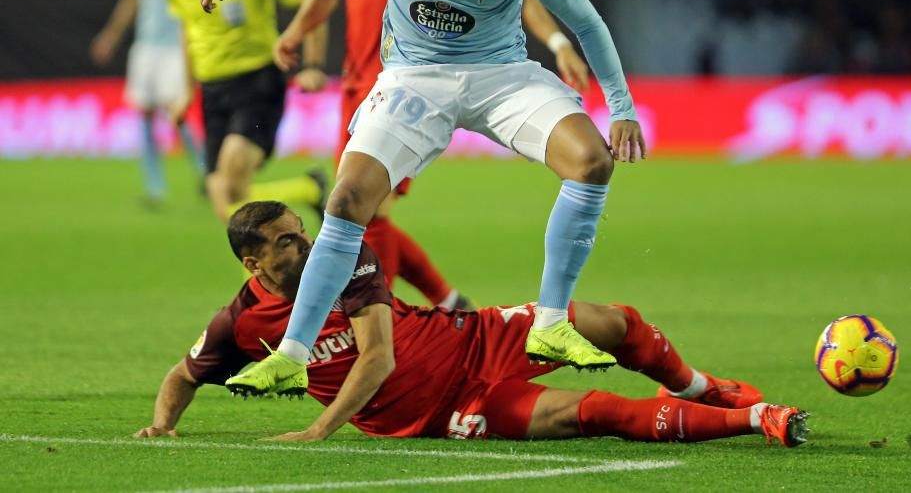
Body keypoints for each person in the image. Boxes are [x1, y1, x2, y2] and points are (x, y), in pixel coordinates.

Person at [200, 0, 646, 391]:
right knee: (346, 202)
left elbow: (588, 22)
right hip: (414, 80)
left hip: (501, 75)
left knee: (593, 162)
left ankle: (549, 324)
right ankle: (293, 355)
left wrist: (621, 107)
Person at [134, 202, 810, 448]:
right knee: (595, 411)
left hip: (474, 336)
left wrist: (318, 426)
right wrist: (165, 422)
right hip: (450, 406)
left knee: (611, 320)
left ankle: (698, 390)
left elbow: (376, 357)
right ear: (253, 260)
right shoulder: (240, 323)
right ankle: (758, 421)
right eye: (285, 242)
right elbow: (183, 373)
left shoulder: (346, 259)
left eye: (302, 232)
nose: (305, 245)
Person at [283, 0, 589, 310]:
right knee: (363, 209)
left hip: (416, 84)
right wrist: (295, 33)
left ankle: (382, 321)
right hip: (359, 81)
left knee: (366, 209)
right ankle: (441, 304)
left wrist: (556, 42)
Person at [155, 0, 327, 223]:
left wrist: (312, 65)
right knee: (225, 201)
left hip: (257, 82)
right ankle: (308, 189)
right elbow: (188, 28)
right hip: (212, 90)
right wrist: (187, 92)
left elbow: (308, 3)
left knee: (230, 182)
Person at [90, 0, 205, 205]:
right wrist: (110, 36)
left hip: (175, 47)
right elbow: (130, 1)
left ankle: (205, 172)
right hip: (146, 47)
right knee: (144, 115)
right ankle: (155, 186)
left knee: (176, 112)